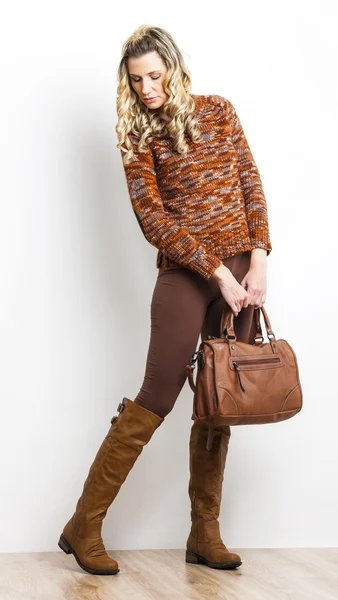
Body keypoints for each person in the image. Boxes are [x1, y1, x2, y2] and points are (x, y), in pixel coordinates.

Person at [58, 24, 272, 576]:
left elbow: (250, 183)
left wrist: (260, 262)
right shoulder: (136, 135)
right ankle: (85, 523)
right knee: (156, 397)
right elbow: (153, 220)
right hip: (188, 275)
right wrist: (217, 271)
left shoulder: (219, 111)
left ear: (174, 69)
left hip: (243, 277)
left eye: (154, 76)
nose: (146, 89)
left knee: (218, 396)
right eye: (136, 80)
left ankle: (205, 533)